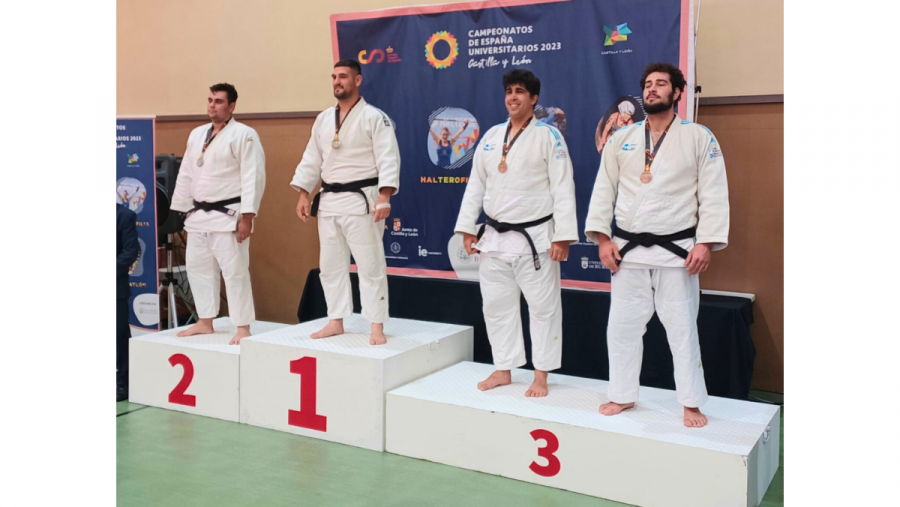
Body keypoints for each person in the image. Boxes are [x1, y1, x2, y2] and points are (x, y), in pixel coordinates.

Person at [585, 62, 730, 428]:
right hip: (628, 251)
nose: (652, 89)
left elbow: (713, 194)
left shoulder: (699, 137)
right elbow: (604, 189)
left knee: (681, 329)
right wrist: (602, 238)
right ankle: (621, 394)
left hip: (678, 251)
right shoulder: (622, 138)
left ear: (677, 92)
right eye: (648, 84)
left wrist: (706, 243)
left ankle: (691, 402)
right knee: (621, 328)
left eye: (661, 84)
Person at [455, 69, 577, 397]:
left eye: (520, 91)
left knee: (543, 309)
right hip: (494, 238)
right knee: (496, 306)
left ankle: (541, 375)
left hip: (536, 239)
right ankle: (504, 368)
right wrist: (468, 228)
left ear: (533, 98)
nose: (513, 96)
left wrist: (562, 235)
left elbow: (564, 187)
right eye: (509, 90)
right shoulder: (492, 136)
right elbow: (476, 184)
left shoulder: (549, 137)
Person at [292, 59, 400, 345]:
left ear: (358, 80)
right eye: (333, 77)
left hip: (362, 201)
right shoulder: (324, 118)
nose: (337, 82)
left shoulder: (374, 117)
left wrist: (385, 197)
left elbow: (388, 157)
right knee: (330, 266)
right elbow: (312, 157)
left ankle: (376, 324)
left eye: (343, 77)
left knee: (370, 265)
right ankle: (336, 320)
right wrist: (304, 193)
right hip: (328, 201)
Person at [170, 83, 266, 344]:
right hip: (198, 215)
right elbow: (186, 173)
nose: (212, 105)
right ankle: (205, 321)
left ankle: (243, 326)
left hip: (228, 215)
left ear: (232, 106)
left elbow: (253, 176)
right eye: (210, 100)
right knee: (198, 269)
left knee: (235, 272)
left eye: (219, 101)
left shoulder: (245, 135)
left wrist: (247, 217)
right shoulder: (196, 134)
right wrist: (181, 209)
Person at [116, 202, 139, 401]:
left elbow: (130, 251)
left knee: (119, 335)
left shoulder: (125, 215)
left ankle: (123, 383)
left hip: (115, 287)